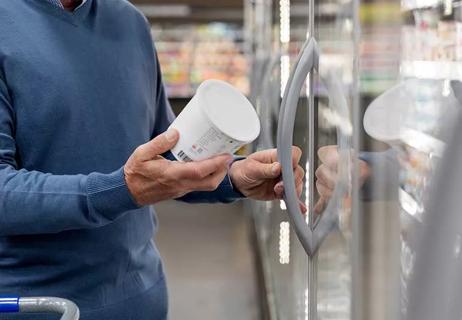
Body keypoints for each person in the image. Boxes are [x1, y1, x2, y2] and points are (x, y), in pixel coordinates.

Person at [0, 0, 304, 319]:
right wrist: (121, 189)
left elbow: (168, 156)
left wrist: (235, 177)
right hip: (40, 307)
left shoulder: (130, 23)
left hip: (141, 299)